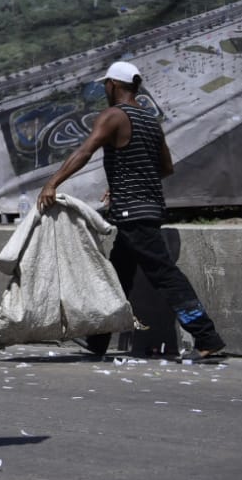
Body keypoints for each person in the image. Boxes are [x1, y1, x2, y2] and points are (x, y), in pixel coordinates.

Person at [36, 61, 226, 360]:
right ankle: (98, 341)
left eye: (105, 85)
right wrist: (126, 181)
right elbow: (165, 167)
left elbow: (85, 151)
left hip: (132, 213)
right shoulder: (150, 120)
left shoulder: (114, 115)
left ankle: (206, 336)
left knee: (164, 274)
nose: (104, 89)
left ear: (113, 84)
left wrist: (52, 183)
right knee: (117, 276)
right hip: (147, 207)